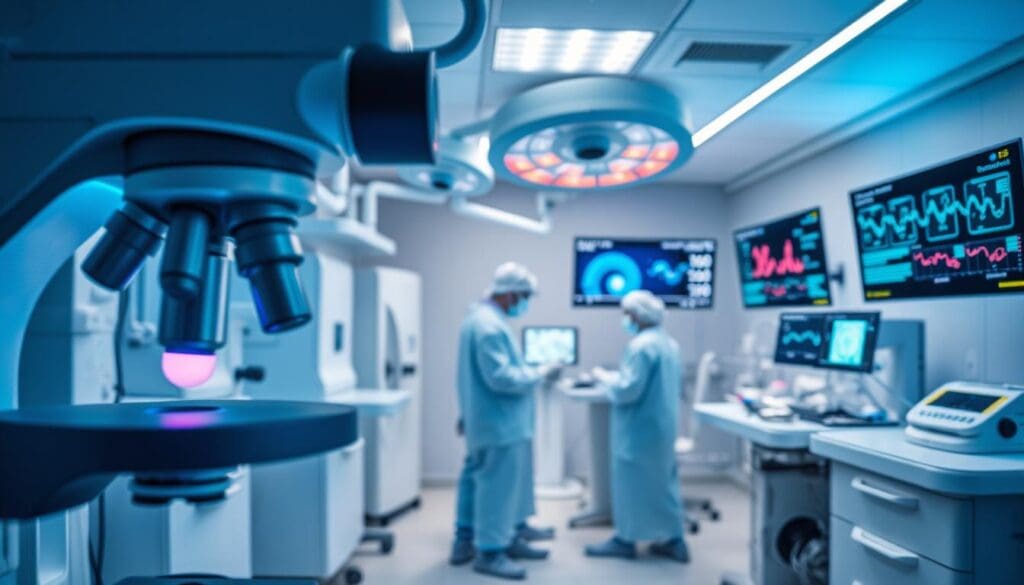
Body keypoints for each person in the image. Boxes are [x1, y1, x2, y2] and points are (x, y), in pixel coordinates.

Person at [450, 262, 561, 580]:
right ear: (510, 293)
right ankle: (490, 552)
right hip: (499, 424)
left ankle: (472, 538)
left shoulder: (480, 320)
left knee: (477, 481)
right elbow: (501, 378)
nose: (525, 303)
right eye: (524, 296)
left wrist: (466, 412)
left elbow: (472, 374)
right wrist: (540, 373)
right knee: (496, 489)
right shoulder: (489, 326)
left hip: (485, 418)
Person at [584, 290, 689, 563]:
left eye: (627, 314)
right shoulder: (668, 344)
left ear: (638, 315)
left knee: (630, 485)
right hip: (661, 427)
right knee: (663, 485)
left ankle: (625, 540)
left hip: (639, 431)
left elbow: (627, 390)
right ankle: (674, 540)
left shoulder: (641, 346)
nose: (625, 319)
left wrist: (604, 378)